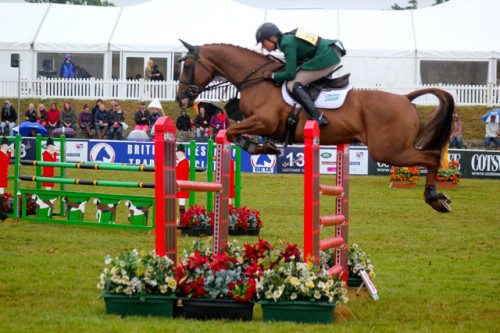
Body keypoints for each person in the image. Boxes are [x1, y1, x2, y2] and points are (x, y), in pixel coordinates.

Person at [255, 23, 346, 127]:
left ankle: (316, 116)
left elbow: (290, 74)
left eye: (263, 42)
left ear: (272, 37)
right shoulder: (287, 39)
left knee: (292, 84)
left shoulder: (286, 43)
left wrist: (272, 76)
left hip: (327, 56)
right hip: (329, 51)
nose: (263, 46)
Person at [0, 136, 14, 220]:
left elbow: (7, 162)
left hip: (3, 176)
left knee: (1, 194)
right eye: (6, 145)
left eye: (7, 145)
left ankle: (2, 212)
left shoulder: (4, 153)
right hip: (0, 176)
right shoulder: (1, 153)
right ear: (2, 146)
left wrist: (8, 153)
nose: (7, 147)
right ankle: (2, 213)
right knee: (0, 195)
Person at [175, 144, 190, 216]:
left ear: (183, 153)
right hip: (178, 184)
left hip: (182, 184)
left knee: (181, 202)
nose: (177, 155)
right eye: (177, 153)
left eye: (179, 153)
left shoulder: (184, 161)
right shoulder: (179, 161)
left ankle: (182, 217)